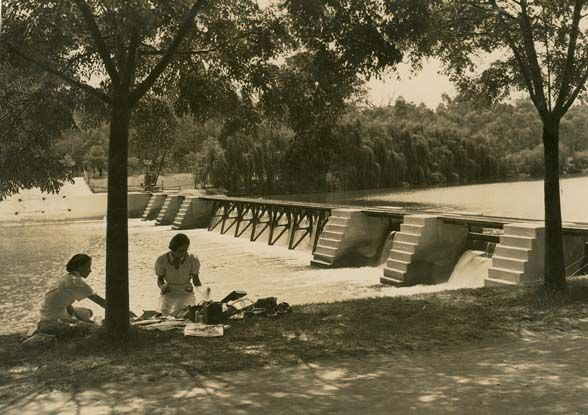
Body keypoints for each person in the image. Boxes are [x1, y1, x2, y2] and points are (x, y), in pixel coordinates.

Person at [36, 254, 106, 335]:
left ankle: (77, 322)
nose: (90, 270)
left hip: (47, 314)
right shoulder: (76, 282)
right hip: (53, 319)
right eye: (88, 267)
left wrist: (77, 319)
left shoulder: (67, 278)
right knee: (95, 329)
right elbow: (102, 302)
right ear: (80, 267)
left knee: (88, 312)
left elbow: (66, 304)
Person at [155, 233, 203, 315]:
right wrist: (162, 287)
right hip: (169, 292)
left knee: (184, 315)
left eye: (186, 250)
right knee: (164, 315)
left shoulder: (192, 259)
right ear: (173, 248)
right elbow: (160, 279)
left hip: (186, 292)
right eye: (180, 251)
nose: (183, 253)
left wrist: (203, 291)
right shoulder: (161, 259)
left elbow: (196, 280)